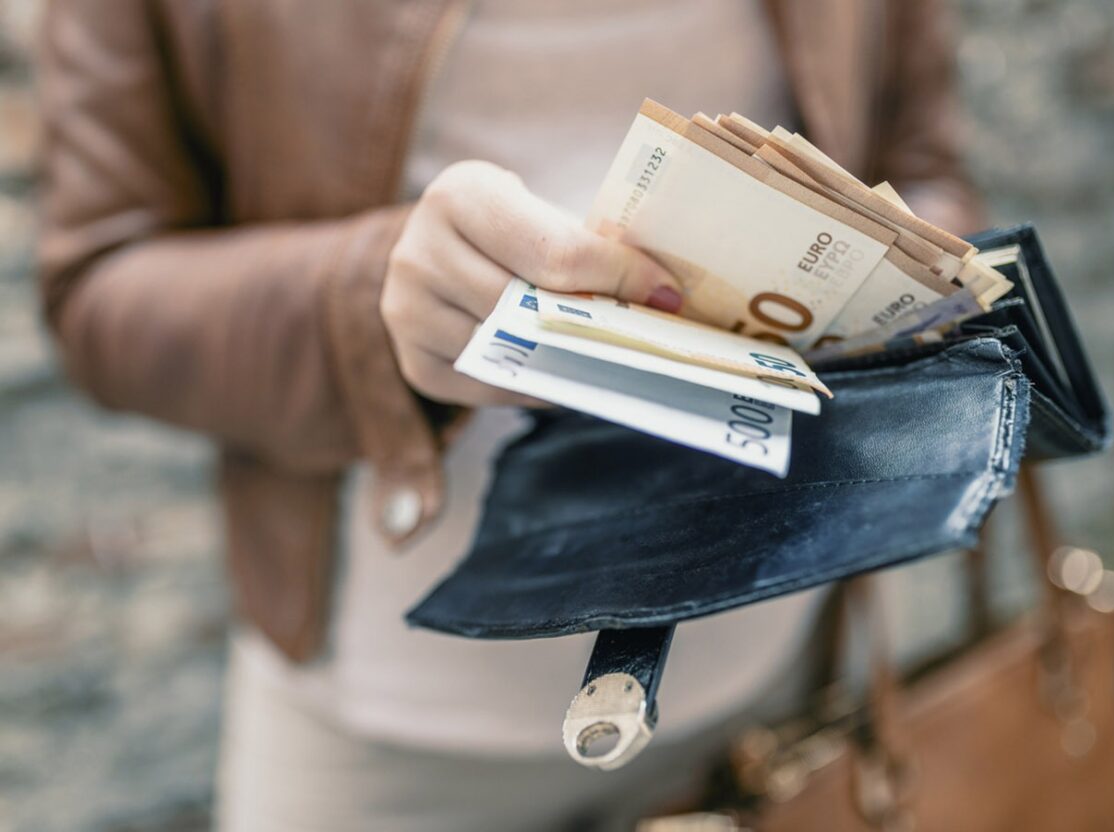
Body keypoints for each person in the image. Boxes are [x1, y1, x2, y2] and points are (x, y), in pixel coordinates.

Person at [37, 1, 983, 829]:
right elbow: (96, 287)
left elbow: (925, 166)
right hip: (388, 733)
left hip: (768, 660)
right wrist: (369, 295)